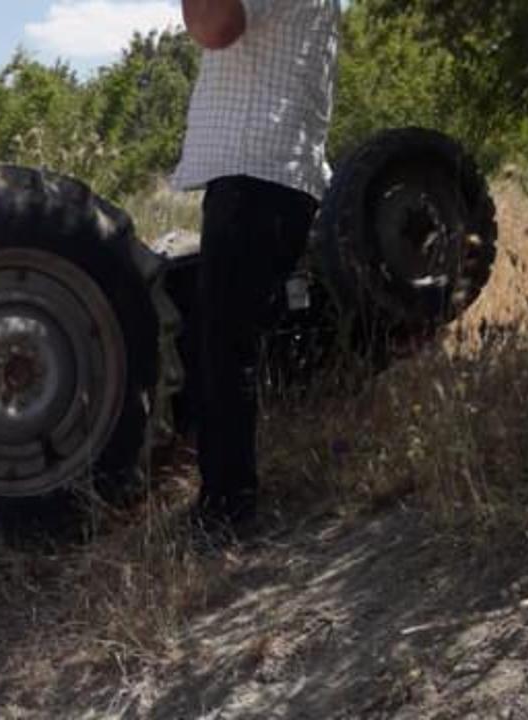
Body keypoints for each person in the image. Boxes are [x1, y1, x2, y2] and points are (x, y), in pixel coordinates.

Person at [172, 0, 341, 533]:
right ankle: (222, 493)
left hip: (256, 174)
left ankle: (227, 509)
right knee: (221, 339)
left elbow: (214, 26)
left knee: (224, 346)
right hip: (269, 174)